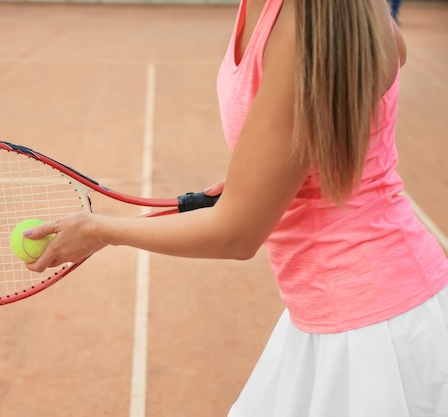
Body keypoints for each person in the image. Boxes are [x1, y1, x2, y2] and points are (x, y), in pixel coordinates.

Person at [25, 0, 448, 415]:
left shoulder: (304, 25)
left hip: (369, 330)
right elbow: (392, 53)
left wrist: (102, 231)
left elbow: (237, 233)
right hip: (348, 308)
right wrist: (279, 170)